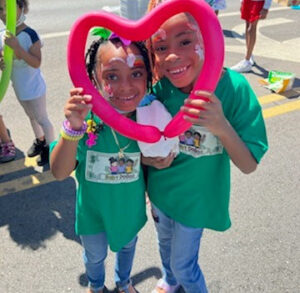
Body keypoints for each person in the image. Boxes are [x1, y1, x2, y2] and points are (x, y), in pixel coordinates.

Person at [144, 1, 268, 292]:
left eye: (185, 41)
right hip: (161, 195)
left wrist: (221, 126)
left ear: (207, 37)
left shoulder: (235, 89)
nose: (172, 55)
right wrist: (150, 163)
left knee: (185, 266)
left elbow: (249, 164)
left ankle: (179, 278)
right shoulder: (159, 91)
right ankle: (169, 279)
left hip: (196, 203)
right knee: (165, 246)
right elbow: (143, 145)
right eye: (160, 48)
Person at [49, 32, 158, 293]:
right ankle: (96, 286)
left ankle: (124, 282)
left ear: (149, 76)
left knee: (128, 247)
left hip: (129, 210)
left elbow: (155, 162)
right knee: (95, 257)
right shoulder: (86, 119)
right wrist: (73, 128)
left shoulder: (150, 116)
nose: (125, 86)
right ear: (93, 79)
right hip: (93, 214)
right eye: (112, 75)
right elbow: (59, 171)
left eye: (136, 73)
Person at [0, 0, 54, 166]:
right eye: (0, 9)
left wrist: (17, 48)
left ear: (20, 8)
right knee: (31, 117)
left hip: (34, 88)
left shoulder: (30, 34)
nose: (2, 13)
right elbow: (5, 60)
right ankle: (40, 140)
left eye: (5, 8)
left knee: (42, 118)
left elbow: (36, 62)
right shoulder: (4, 35)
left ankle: (51, 149)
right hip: (20, 87)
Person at [230, 0, 272, 73]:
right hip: (247, 1)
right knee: (247, 26)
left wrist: (265, 8)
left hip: (258, 2)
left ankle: (246, 61)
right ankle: (249, 56)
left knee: (251, 28)